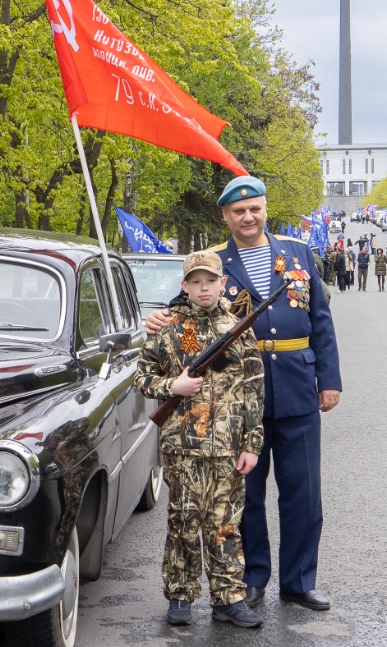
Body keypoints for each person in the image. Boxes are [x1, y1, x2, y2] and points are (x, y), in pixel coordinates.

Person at [144, 175, 342, 614]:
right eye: (239, 211)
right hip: (235, 403)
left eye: (254, 208)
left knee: (304, 493)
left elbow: (321, 321)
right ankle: (250, 581)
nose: (248, 216)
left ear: (265, 209)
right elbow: (185, 308)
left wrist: (329, 380)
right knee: (245, 495)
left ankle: (298, 581)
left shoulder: (298, 253)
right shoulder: (212, 260)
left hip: (297, 387)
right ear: (226, 217)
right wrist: (159, 317)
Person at [134, 250, 266, 628]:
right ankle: (180, 595)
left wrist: (252, 444)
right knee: (183, 521)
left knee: (225, 524)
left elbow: (254, 391)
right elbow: (142, 378)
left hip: (228, 446)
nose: (204, 288)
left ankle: (229, 599)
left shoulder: (238, 327)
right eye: (196, 282)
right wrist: (171, 385)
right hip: (182, 447)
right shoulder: (168, 328)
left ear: (222, 283)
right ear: (185, 286)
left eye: (211, 281)